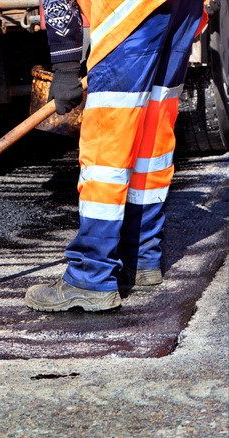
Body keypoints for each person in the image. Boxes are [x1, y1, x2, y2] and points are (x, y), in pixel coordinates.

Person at [26, 0, 209, 312]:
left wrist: (66, 67)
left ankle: (90, 276)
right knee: (153, 132)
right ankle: (141, 256)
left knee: (107, 145)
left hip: (129, 9)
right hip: (182, 7)